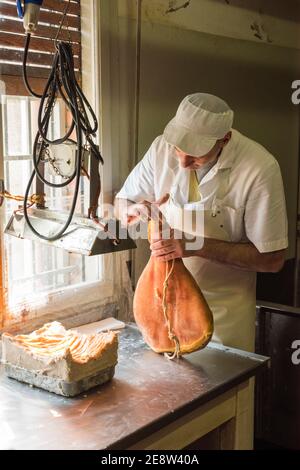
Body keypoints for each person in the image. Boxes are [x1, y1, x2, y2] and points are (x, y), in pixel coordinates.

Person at [115, 93, 288, 353]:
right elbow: (121, 203)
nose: (183, 163)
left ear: (224, 139)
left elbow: (272, 259)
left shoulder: (260, 168)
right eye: (178, 150)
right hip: (163, 309)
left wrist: (194, 245)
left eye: (196, 155)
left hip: (225, 317)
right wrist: (132, 209)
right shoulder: (161, 147)